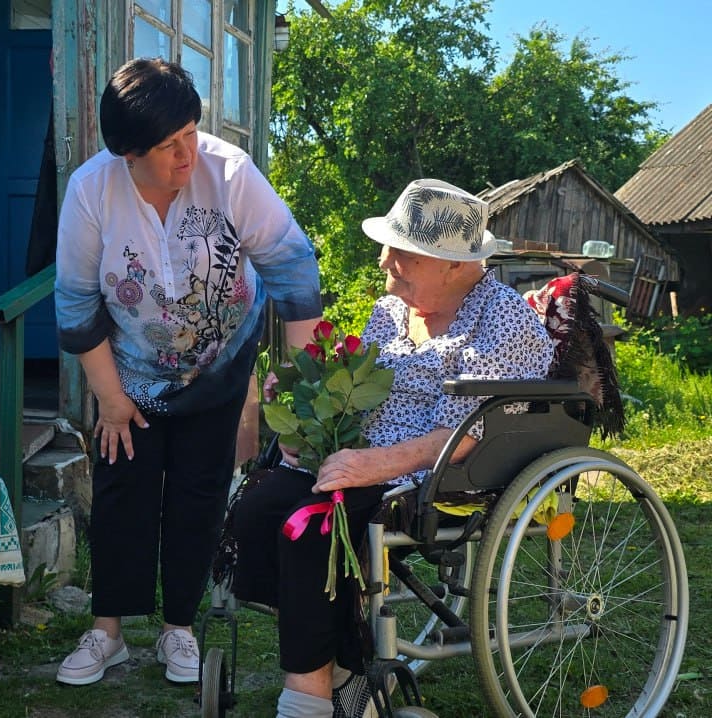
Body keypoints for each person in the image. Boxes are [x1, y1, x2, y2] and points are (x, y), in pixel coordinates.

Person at [229, 179, 556, 718]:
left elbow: (467, 433)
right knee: (258, 509)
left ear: (454, 264)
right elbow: (354, 392)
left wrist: (372, 464)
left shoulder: (504, 319)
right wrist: (306, 417)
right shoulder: (389, 312)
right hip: (359, 456)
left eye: (402, 253)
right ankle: (341, 665)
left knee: (313, 527)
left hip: (436, 473)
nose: (385, 262)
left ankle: (307, 697)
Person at [53, 57, 323, 687]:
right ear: (127, 152)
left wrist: (303, 376)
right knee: (124, 490)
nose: (186, 154)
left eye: (190, 133)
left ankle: (179, 630)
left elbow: (293, 270)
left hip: (220, 362)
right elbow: (75, 305)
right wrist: (111, 400)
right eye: (168, 144)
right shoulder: (92, 191)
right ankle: (108, 630)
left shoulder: (228, 172)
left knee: (200, 495)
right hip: (130, 373)